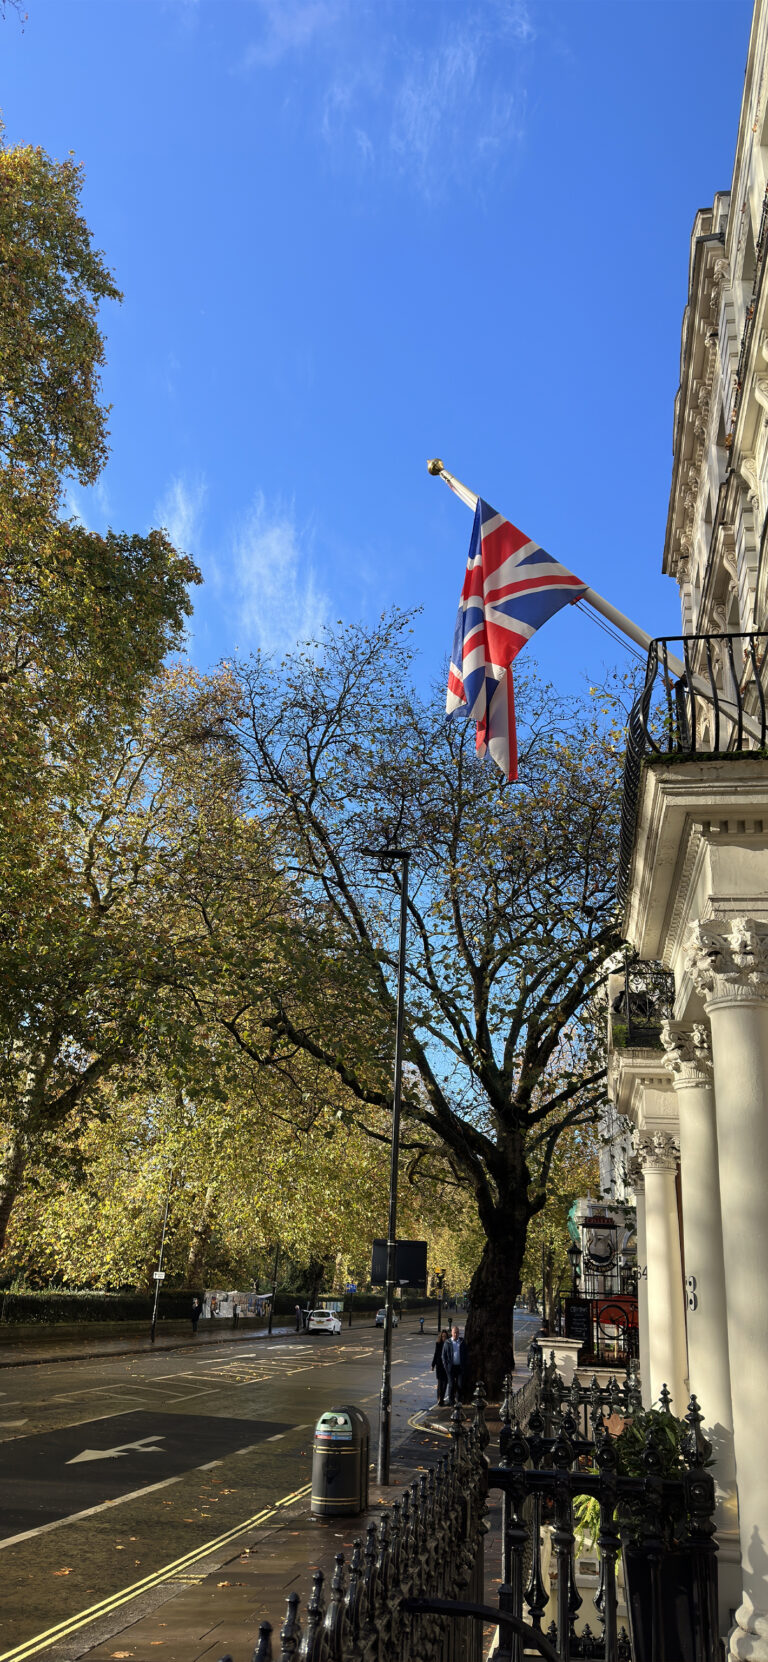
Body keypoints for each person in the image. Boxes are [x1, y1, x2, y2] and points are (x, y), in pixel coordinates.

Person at [442, 1323, 468, 1405]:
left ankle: (459, 1401)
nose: (456, 1334)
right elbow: (443, 1356)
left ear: (459, 1333)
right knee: (452, 1385)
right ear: (452, 1333)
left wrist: (465, 1364)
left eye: (457, 1332)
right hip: (451, 1368)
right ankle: (451, 1401)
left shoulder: (462, 1342)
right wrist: (446, 1367)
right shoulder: (448, 1342)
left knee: (460, 1385)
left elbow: (466, 1354)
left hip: (460, 1367)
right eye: (454, 1332)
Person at [431, 1327, 449, 1405]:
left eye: (445, 1336)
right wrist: (433, 1365)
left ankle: (441, 1399)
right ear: (441, 1337)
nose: (444, 1338)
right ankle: (439, 1399)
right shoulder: (438, 1344)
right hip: (439, 1365)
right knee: (440, 1383)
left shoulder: (449, 1344)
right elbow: (435, 1354)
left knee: (445, 1383)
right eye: (442, 1336)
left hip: (446, 1366)